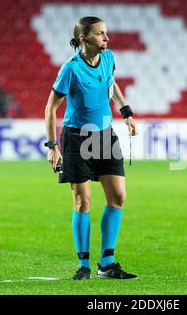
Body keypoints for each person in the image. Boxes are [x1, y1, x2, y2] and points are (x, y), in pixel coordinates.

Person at [44, 16, 138, 280]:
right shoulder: (70, 69)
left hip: (105, 137)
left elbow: (111, 83)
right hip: (77, 139)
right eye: (100, 34)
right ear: (84, 39)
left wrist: (126, 112)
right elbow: (51, 108)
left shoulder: (108, 58)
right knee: (83, 201)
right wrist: (52, 146)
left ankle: (106, 264)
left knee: (118, 197)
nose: (106, 38)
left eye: (106, 33)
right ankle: (84, 265)